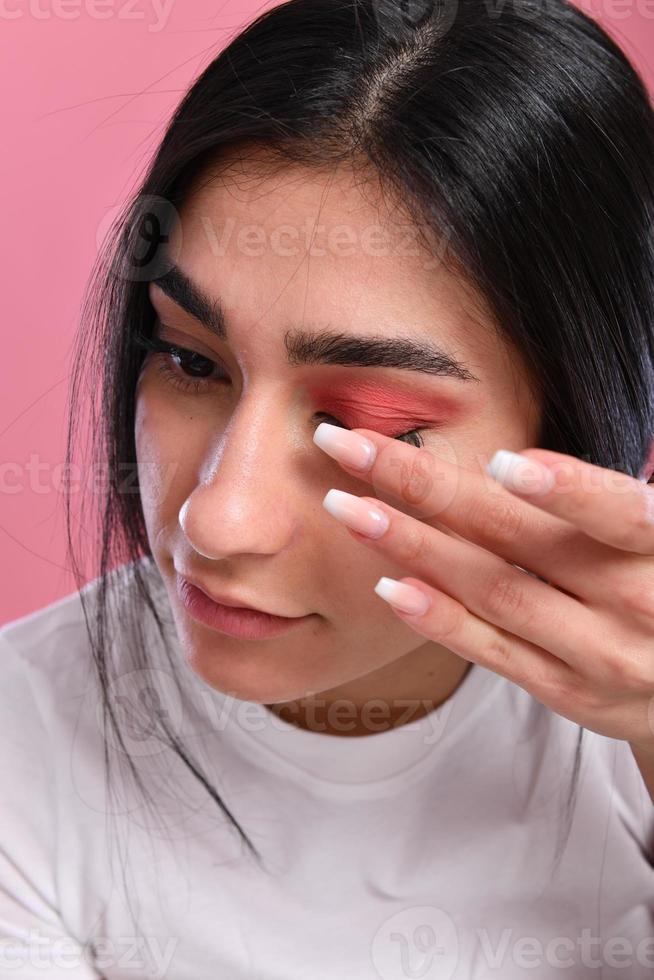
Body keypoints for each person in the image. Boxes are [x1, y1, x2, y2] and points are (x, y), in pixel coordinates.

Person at [2, 0, 653, 977]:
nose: (215, 518)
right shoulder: (25, 744)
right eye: (187, 360)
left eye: (365, 427)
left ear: (586, 428)